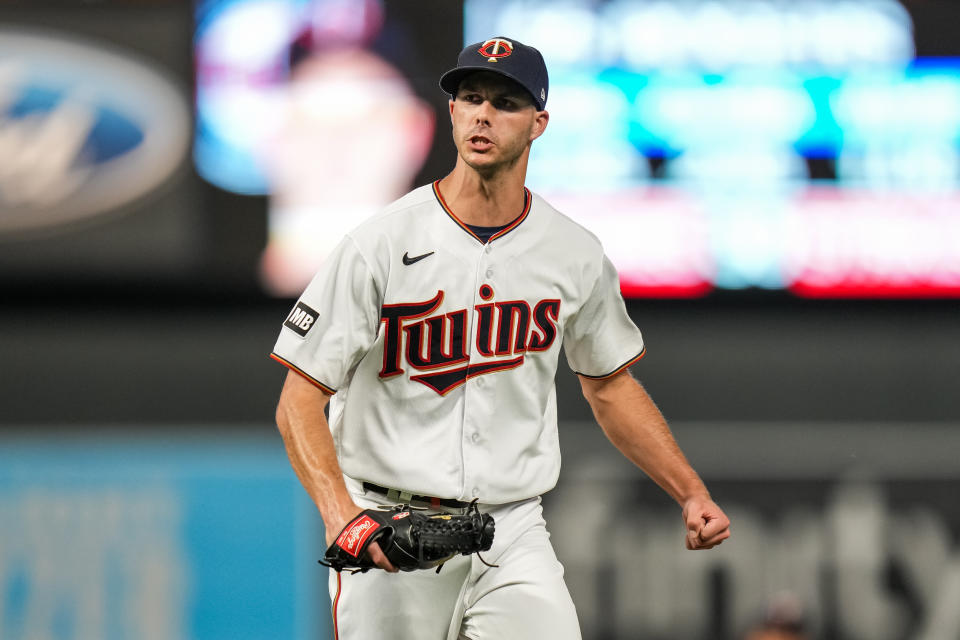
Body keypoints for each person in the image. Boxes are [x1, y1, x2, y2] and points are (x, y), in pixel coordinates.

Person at [271, 36, 731, 640]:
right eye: (470, 97)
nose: (483, 114)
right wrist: (343, 518)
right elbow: (298, 400)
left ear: (539, 123)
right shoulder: (376, 244)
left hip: (511, 529)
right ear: (453, 111)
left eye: (505, 102)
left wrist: (689, 491)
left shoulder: (573, 252)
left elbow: (611, 387)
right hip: (392, 527)